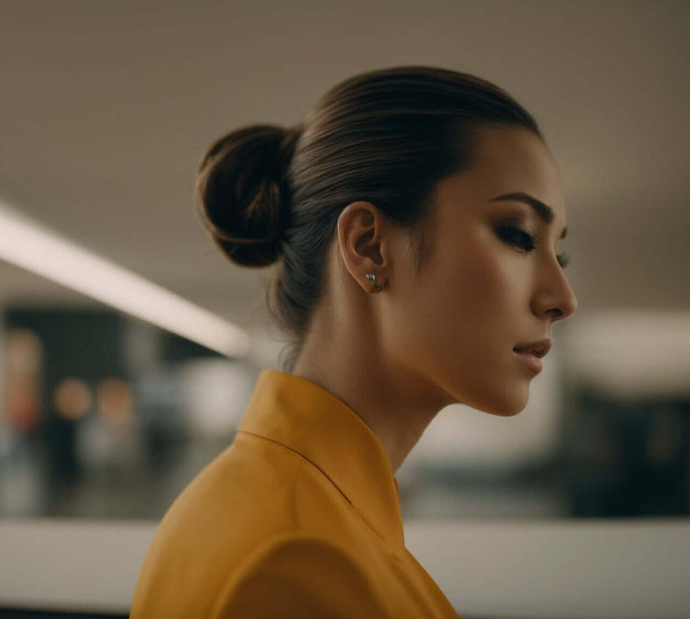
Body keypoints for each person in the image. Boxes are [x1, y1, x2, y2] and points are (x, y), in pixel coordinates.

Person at [130, 65, 577, 618]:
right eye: (518, 235)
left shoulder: (280, 509)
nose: (561, 296)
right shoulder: (299, 562)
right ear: (368, 246)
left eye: (559, 254)